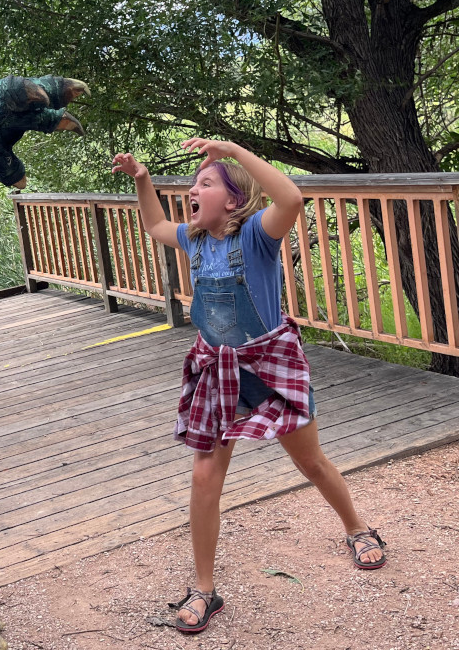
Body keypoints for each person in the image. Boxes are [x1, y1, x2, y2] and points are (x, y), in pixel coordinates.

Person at [111, 138, 386, 634]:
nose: (193, 191)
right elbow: (154, 225)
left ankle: (357, 527)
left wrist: (234, 152)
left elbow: (292, 199)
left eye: (205, 183)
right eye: (194, 184)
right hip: (217, 369)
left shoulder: (258, 235)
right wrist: (142, 179)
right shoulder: (193, 240)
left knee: (311, 462)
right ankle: (204, 589)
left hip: (268, 365)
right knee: (203, 477)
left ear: (234, 199)